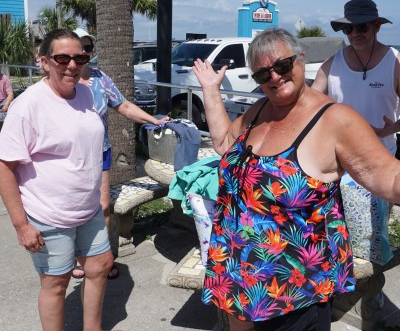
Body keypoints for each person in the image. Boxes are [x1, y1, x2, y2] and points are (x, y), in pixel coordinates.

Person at [191, 28, 400, 331]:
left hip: (292, 293)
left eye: (282, 66)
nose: (274, 77)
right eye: (263, 74)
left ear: (300, 60)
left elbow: (388, 176)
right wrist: (211, 89)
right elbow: (224, 143)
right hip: (238, 278)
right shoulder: (261, 110)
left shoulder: (335, 120)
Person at [0, 29, 114, 331]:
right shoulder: (28, 106)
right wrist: (21, 225)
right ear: (45, 62)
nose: (72, 65)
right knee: (56, 283)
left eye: (80, 57)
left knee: (100, 266)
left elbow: (90, 146)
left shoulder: (87, 93)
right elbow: (5, 167)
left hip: (87, 209)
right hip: (48, 213)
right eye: (62, 58)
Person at [72, 27, 170, 279]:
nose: (82, 52)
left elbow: (124, 106)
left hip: (100, 153)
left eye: (87, 48)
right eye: (77, 47)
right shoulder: (60, 82)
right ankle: (80, 258)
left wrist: (154, 121)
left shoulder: (101, 79)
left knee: (103, 208)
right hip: (69, 157)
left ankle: (103, 259)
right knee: (75, 208)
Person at [312, 0, 400, 267]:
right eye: (348, 29)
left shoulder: (395, 62)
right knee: (334, 234)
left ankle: (372, 298)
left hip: (379, 163)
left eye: (361, 27)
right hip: (337, 165)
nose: (355, 34)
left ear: (376, 27)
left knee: (373, 237)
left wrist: (392, 127)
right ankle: (339, 293)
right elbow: (311, 104)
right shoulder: (332, 64)